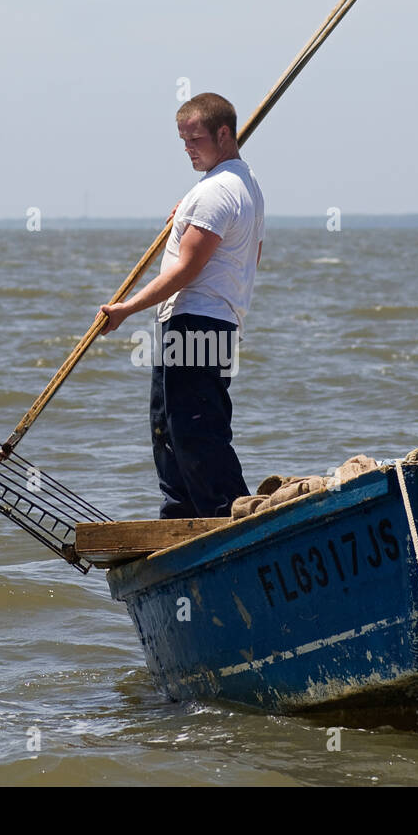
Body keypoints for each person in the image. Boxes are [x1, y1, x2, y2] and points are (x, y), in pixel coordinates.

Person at [98, 92, 264, 518]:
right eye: (183, 141)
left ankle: (229, 515)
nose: (188, 149)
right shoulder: (239, 186)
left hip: (198, 320)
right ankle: (180, 516)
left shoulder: (218, 191)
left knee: (194, 428)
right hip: (206, 320)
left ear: (224, 134)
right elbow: (249, 256)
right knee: (168, 425)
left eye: (196, 140)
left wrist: (125, 309)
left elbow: (187, 269)